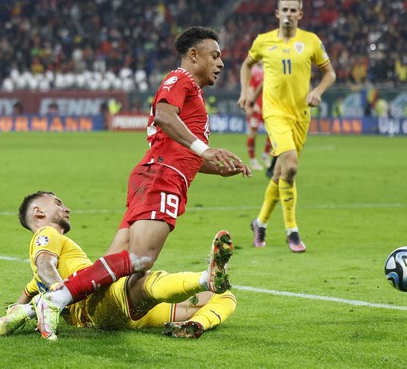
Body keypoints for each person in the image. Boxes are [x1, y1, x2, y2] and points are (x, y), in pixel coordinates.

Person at [32, 26, 251, 339]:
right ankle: (56, 300)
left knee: (116, 260)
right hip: (162, 178)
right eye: (214, 55)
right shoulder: (181, 79)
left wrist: (217, 167)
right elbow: (163, 115)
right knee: (141, 259)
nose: (221, 63)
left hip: (154, 174)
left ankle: (40, 306)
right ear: (193, 55)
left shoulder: (192, 93)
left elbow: (182, 152)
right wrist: (206, 148)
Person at [0, 191, 236, 340]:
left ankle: (196, 324)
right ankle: (206, 277)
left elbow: (29, 291)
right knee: (141, 279)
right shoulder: (47, 233)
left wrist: (15, 313)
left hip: (121, 315)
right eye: (57, 203)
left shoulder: (47, 267)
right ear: (38, 212)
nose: (66, 208)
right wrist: (58, 287)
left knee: (225, 297)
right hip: (96, 303)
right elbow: (45, 263)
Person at [238, 0, 336, 252]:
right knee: (291, 167)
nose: (289, 14)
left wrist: (318, 92)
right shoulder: (263, 41)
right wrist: (246, 91)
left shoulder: (311, 41)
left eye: (294, 10)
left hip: (301, 115)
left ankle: (259, 223)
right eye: (285, 9)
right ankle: (292, 231)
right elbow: (246, 66)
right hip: (275, 114)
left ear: (300, 15)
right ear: (277, 13)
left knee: (281, 173)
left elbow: (330, 73)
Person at [245, 62, 272, 170]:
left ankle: (265, 156)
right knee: (253, 133)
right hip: (257, 107)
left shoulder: (270, 68)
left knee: (273, 132)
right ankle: (253, 160)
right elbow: (250, 88)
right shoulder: (254, 71)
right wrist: (252, 104)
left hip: (268, 107)